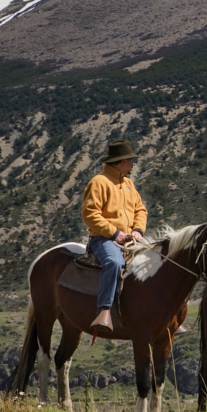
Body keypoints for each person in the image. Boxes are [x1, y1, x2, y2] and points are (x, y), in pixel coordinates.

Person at [81, 139, 147, 334]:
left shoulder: (128, 184)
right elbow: (90, 214)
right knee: (114, 262)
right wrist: (115, 233)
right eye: (131, 160)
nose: (133, 164)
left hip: (130, 238)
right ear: (122, 161)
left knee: (156, 262)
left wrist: (138, 230)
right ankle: (104, 310)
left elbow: (140, 210)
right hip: (103, 239)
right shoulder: (98, 182)